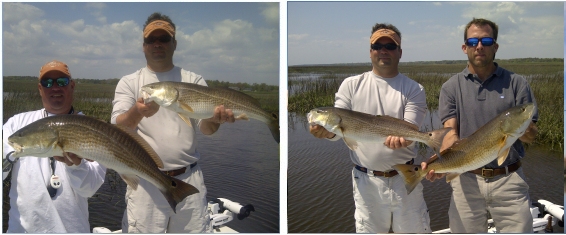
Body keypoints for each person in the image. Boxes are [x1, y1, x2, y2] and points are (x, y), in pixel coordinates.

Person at [111, 12, 234, 233]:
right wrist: (137, 113)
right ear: (144, 45)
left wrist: (215, 120)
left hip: (189, 180)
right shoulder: (129, 82)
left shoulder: (193, 80)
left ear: (174, 44)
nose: (157, 44)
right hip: (145, 181)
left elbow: (206, 129)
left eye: (164, 39)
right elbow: (117, 128)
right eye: (151, 39)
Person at [309, 23, 431, 233]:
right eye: (377, 45)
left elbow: (410, 128)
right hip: (366, 182)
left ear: (399, 52)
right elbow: (337, 131)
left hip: (407, 178)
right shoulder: (351, 85)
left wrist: (410, 137)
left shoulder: (414, 89)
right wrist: (326, 132)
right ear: (370, 51)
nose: (383, 50)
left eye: (390, 46)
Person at [422, 18, 539, 233]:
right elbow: (450, 133)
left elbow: (531, 135)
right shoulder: (450, 87)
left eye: (486, 40)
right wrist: (444, 164)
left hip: (509, 178)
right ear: (464, 47)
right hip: (466, 179)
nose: (479, 46)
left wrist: (524, 129)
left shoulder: (517, 83)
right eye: (473, 41)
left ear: (495, 46)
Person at [2, 60, 107, 233]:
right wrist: (7, 158)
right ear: (40, 88)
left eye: (62, 82)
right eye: (47, 82)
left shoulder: (94, 129)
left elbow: (89, 188)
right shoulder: (17, 124)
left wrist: (77, 165)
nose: (55, 87)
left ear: (72, 86)